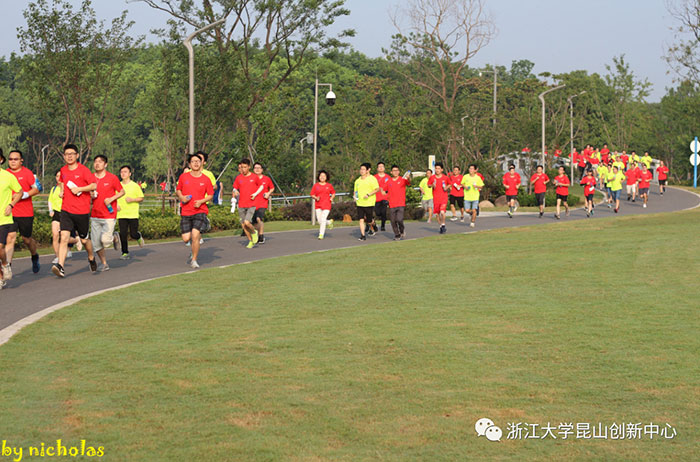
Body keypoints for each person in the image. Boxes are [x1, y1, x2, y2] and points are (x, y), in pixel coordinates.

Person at [52, 144, 98, 278]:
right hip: (66, 210)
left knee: (84, 241)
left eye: (72, 154)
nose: (69, 156)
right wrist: (61, 191)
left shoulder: (84, 170)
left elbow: (93, 185)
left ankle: (91, 257)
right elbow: (62, 182)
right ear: (64, 156)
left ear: (77, 155)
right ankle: (60, 266)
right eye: (67, 154)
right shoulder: (63, 170)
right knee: (64, 237)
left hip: (81, 211)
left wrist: (80, 189)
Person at [5, 150, 41, 275]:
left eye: (15, 159)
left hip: (25, 212)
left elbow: (37, 189)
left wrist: (24, 194)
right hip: (10, 212)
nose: (13, 161)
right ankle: (7, 267)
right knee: (10, 238)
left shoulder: (27, 173)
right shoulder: (5, 174)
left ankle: (34, 255)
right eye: (10, 159)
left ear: (21, 160)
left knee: (26, 239)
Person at [176, 153, 214, 267]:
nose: (196, 163)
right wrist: (182, 197)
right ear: (189, 164)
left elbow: (210, 195)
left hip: (200, 210)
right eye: (193, 161)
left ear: (201, 163)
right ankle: (193, 249)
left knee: (195, 235)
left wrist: (201, 201)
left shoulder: (206, 179)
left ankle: (194, 260)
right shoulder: (184, 177)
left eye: (198, 161)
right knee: (186, 238)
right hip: (186, 211)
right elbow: (178, 190)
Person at [89, 155, 124, 272]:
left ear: (105, 164)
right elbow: (86, 193)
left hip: (109, 214)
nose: (97, 164)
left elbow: (122, 191)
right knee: (96, 243)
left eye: (100, 161)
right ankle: (104, 263)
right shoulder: (90, 178)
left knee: (105, 240)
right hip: (95, 214)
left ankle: (114, 237)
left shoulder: (112, 178)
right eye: (95, 161)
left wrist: (111, 199)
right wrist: (90, 195)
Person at [0, 150, 23, 287]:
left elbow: (20, 192)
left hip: (3, 218)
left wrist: (11, 205)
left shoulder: (8, 176)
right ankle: (1, 277)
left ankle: (5, 264)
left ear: (1, 160)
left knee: (0, 247)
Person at [48, 170, 80, 264]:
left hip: (66, 213)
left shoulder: (68, 188)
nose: (59, 178)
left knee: (63, 237)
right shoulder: (53, 189)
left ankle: (76, 240)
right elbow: (50, 200)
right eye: (57, 176)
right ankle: (58, 257)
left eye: (60, 176)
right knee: (55, 236)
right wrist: (50, 210)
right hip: (56, 213)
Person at [232, 159, 264, 249]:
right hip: (241, 204)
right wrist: (235, 191)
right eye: (242, 167)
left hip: (251, 204)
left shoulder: (254, 177)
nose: (243, 169)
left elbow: (261, 186)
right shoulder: (239, 178)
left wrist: (255, 194)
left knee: (247, 222)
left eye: (245, 167)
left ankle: (254, 232)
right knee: (243, 225)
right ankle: (250, 241)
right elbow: (234, 188)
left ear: (249, 167)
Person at [116, 165, 145, 260]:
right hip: (121, 214)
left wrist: (133, 199)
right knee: (123, 234)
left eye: (125, 172)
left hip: (133, 214)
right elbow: (113, 197)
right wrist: (115, 205)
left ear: (130, 174)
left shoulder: (135, 186)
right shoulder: (117, 185)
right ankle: (125, 252)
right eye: (121, 172)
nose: (123, 174)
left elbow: (141, 198)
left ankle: (138, 236)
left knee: (133, 234)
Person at [353, 162, 379, 241]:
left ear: (368, 170)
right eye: (361, 169)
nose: (361, 171)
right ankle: (363, 235)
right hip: (360, 203)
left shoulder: (372, 179)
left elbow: (377, 189)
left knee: (368, 220)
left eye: (363, 169)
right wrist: (355, 197)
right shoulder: (357, 181)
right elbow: (355, 191)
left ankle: (373, 224)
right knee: (361, 219)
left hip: (369, 203)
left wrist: (368, 194)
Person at [251, 162, 274, 244]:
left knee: (259, 218)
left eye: (259, 168)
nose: (257, 169)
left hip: (262, 202)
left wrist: (268, 193)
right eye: (255, 168)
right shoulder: (251, 179)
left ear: (262, 169)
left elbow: (272, 188)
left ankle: (261, 236)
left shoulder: (266, 179)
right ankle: (257, 234)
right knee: (254, 222)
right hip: (252, 203)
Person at [386, 165, 411, 240]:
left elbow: (408, 182)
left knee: (399, 219)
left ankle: (402, 230)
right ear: (391, 172)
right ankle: (397, 234)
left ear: (399, 172)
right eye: (394, 171)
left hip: (400, 203)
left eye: (397, 170)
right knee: (393, 221)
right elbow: (384, 190)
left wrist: (408, 177)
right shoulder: (389, 181)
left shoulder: (402, 180)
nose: (395, 172)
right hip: (392, 204)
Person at [310, 170, 335, 239]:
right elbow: (312, 194)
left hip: (327, 205)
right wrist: (316, 198)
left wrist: (331, 198)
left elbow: (333, 193)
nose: (322, 177)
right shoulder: (316, 185)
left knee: (323, 219)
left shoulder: (329, 185)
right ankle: (329, 222)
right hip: (318, 205)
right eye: (321, 176)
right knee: (319, 220)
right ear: (319, 177)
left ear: (326, 177)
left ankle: (321, 234)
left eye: (324, 176)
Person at [427, 162, 451, 233]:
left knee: (442, 212)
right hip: (436, 198)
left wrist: (446, 187)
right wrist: (432, 185)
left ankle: (443, 224)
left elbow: (450, 184)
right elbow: (428, 185)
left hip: (443, 197)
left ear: (442, 169)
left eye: (439, 168)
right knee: (437, 214)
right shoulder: (432, 177)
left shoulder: (445, 177)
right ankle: (441, 226)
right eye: (436, 168)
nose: (437, 170)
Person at [373, 162, 391, 232]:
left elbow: (390, 187)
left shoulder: (388, 177)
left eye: (382, 166)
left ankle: (383, 225)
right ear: (377, 168)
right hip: (376, 198)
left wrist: (389, 196)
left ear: (384, 168)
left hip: (384, 198)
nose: (381, 168)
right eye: (379, 166)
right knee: (377, 213)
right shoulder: (374, 177)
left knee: (384, 212)